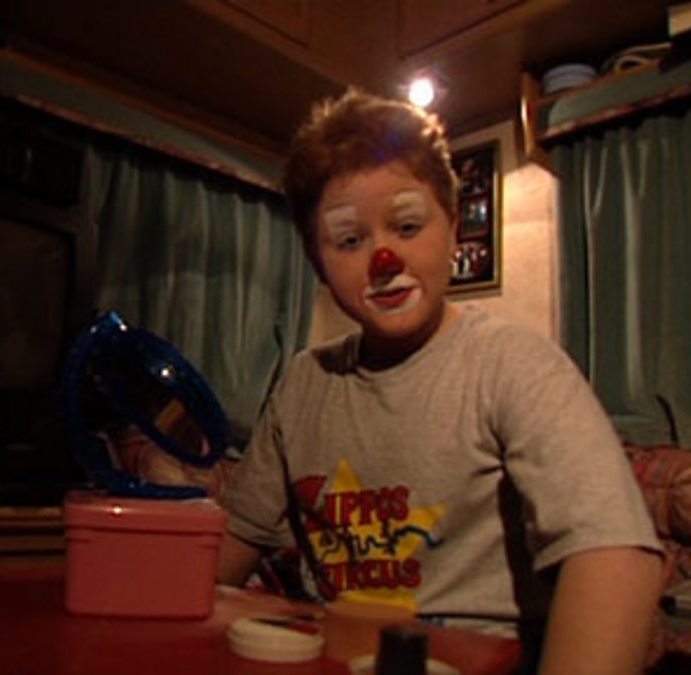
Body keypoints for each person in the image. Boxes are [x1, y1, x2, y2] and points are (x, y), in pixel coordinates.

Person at [215, 88, 665, 674]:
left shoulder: (513, 363)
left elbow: (614, 555)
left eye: (407, 225)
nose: (384, 258)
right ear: (316, 260)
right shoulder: (304, 383)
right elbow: (227, 549)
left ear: (453, 228)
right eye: (349, 240)